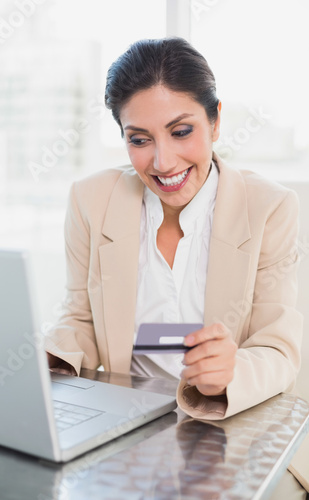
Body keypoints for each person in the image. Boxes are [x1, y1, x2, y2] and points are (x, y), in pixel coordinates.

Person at [45, 38, 307, 498]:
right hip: (130, 429)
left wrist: (232, 371)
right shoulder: (91, 201)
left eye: (181, 131)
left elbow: (278, 348)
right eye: (139, 140)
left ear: (216, 120)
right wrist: (47, 364)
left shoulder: (270, 207)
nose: (162, 162)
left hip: (238, 425)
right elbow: (80, 318)